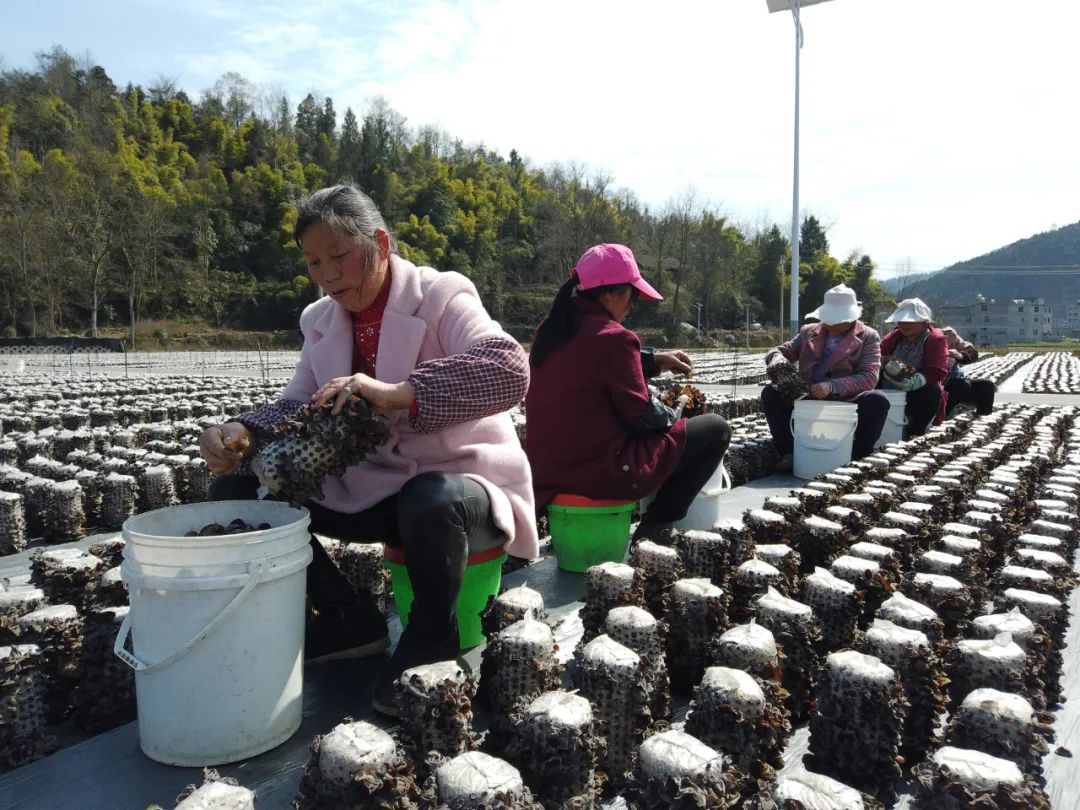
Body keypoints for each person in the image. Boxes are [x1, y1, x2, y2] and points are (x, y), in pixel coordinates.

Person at [199, 185, 537, 717]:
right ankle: (345, 615)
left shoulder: (442, 295)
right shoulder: (321, 320)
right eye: (314, 262)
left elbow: (508, 368)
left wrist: (397, 393)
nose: (328, 274)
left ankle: (432, 637)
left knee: (430, 498)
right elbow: (295, 404)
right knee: (236, 491)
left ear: (379, 242)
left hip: (456, 488)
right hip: (374, 487)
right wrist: (238, 429)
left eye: (339, 256)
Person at [525, 243, 731, 542]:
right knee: (715, 429)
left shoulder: (552, 329)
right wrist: (675, 414)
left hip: (546, 470)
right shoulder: (615, 338)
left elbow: (591, 362)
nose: (632, 306)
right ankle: (657, 523)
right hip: (599, 471)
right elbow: (642, 417)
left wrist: (654, 359)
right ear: (610, 293)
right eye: (632, 296)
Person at [762, 284, 889, 470]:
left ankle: (858, 456)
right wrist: (776, 359)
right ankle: (789, 452)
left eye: (838, 320)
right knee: (770, 393)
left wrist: (832, 386)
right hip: (807, 396)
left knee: (878, 401)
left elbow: (869, 377)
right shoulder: (809, 331)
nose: (832, 324)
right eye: (829, 319)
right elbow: (782, 351)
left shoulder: (869, 336)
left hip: (846, 400)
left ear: (853, 317)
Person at [879, 298, 949, 434]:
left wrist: (916, 381)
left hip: (918, 392)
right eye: (901, 321)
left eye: (910, 321)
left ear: (923, 322)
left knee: (932, 391)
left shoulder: (935, 339)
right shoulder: (894, 337)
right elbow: (877, 355)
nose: (904, 324)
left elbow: (937, 370)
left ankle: (916, 431)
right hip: (890, 388)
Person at [940, 325, 996, 416]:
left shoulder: (949, 335)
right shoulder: (923, 340)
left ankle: (980, 420)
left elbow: (972, 352)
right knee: (961, 386)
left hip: (952, 380)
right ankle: (940, 417)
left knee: (986, 386)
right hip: (935, 383)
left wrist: (960, 355)